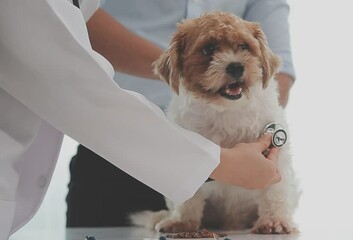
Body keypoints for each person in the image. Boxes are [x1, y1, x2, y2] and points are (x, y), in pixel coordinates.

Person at [0, 0, 282, 239]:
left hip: (226, 158)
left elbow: (279, 59)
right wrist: (217, 160)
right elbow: (78, 81)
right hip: (114, 155)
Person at [66, 0, 296, 227]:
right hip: (113, 151)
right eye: (209, 50)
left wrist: (267, 128)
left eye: (243, 47)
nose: (233, 61)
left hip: (251, 187)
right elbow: (72, 17)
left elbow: (278, 67)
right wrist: (185, 67)